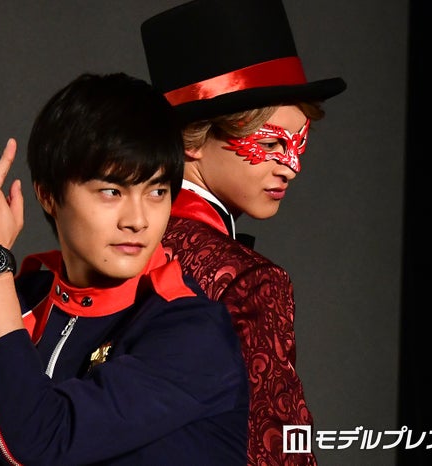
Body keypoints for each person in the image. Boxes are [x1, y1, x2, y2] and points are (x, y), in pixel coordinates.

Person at [0, 72, 249, 465]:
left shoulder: (193, 331)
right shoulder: (29, 300)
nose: (137, 220)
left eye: (156, 192)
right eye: (111, 191)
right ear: (48, 195)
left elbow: (40, 443)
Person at [141, 0, 347, 465]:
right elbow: (280, 448)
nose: (291, 167)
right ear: (192, 138)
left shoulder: (113, 243)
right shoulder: (247, 281)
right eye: (271, 143)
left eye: (299, 143)